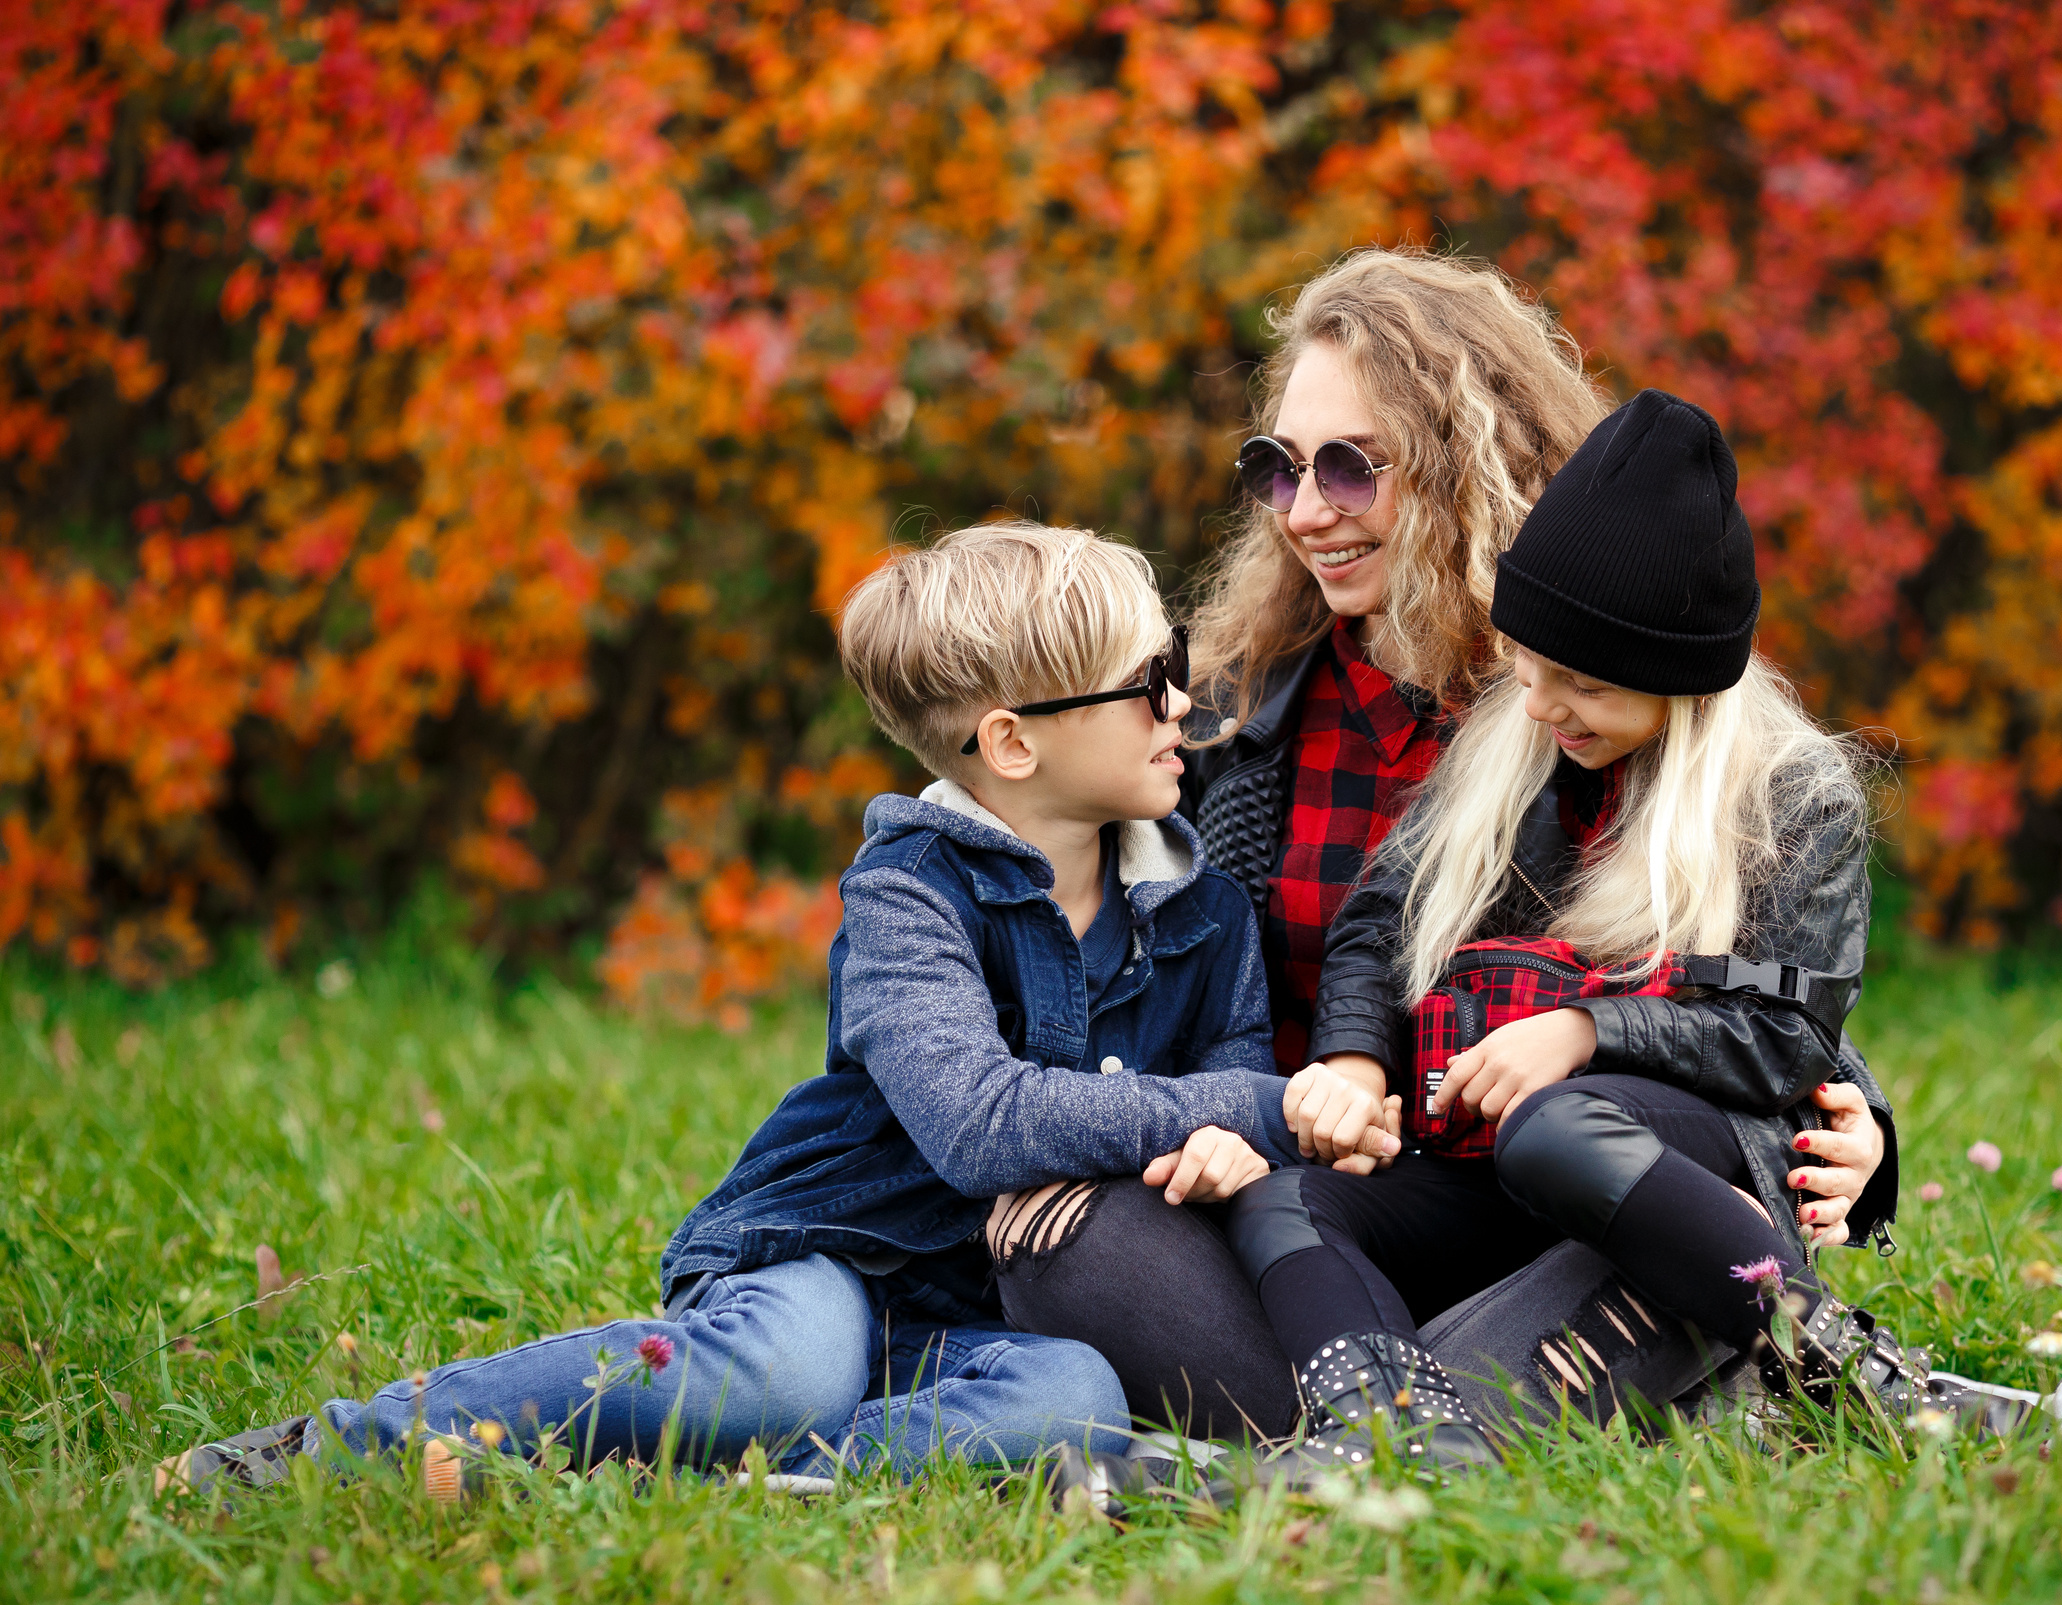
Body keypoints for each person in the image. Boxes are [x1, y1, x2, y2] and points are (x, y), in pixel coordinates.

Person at [158, 522, 1293, 1503]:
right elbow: (979, 1123)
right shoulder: (910, 889)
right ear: (1011, 741)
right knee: (784, 1374)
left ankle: (710, 1470)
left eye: (1173, 665)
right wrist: (1246, 1102)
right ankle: (351, 1443)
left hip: (981, 1309)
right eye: (1148, 680)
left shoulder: (1208, 912)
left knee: (1075, 1398)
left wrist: (1217, 1134)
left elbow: (1226, 1114)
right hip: (833, 1253)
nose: (1181, 703)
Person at [992, 249, 1901, 1441]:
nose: (1307, 510)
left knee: (1620, 1179)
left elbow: (1737, 980)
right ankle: (1449, 1409)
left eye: (1349, 467)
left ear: (1474, 464)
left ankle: (1413, 1421)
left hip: (1554, 1193)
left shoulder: (1607, 698)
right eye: (1281, 468)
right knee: (1064, 1242)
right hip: (1310, 1195)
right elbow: (1092, 982)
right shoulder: (1217, 723)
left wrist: (1858, 1124)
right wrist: (1222, 1114)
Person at [1224, 389, 2035, 1471]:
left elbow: (1783, 1030)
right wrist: (1355, 1056)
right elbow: (1381, 919)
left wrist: (1583, 1032)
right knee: (1284, 1198)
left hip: (1678, 1159)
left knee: (1555, 1122)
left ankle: (1839, 1366)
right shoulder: (1505, 753)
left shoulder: (1791, 800)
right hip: (1483, 1174)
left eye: (1587, 684)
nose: (1544, 703)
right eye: (1528, 662)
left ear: (1688, 688)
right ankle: (1392, 1425)